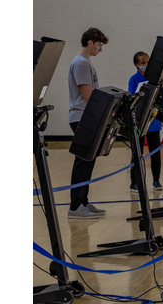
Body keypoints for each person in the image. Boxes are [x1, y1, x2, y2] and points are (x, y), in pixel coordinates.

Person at [67, 27, 109, 219]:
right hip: (81, 117)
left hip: (87, 117)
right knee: (82, 162)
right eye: (99, 45)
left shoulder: (86, 62)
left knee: (88, 161)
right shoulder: (81, 63)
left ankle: (83, 201)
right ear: (90, 42)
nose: (100, 49)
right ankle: (75, 207)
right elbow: (87, 94)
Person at [128, 51, 163, 193]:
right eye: (143, 63)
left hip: (154, 122)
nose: (146, 65)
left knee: (156, 153)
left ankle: (156, 180)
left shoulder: (154, 78)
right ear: (137, 65)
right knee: (137, 153)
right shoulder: (134, 79)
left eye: (148, 62)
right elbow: (133, 98)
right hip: (139, 123)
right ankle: (134, 182)